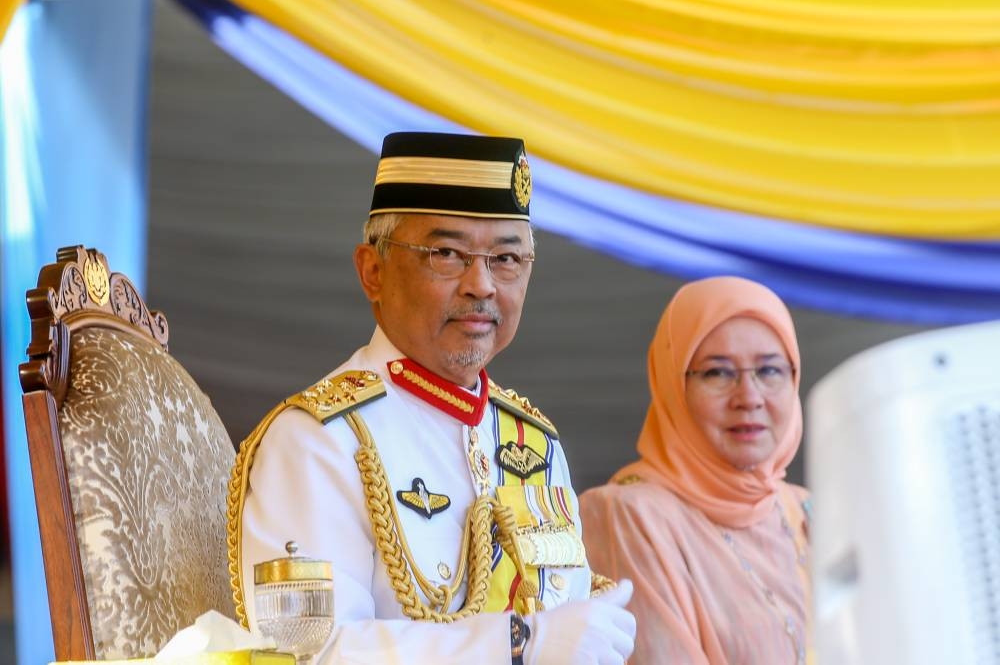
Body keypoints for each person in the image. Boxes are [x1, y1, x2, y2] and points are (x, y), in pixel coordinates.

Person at [234, 132, 636, 664]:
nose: (482, 285)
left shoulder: (533, 444)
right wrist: (516, 645)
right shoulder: (318, 440)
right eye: (446, 254)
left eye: (507, 259)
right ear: (372, 271)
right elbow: (304, 654)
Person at [579, 276, 811, 665]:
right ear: (672, 384)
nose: (749, 398)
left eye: (769, 371)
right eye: (717, 373)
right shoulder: (628, 514)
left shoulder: (808, 511)